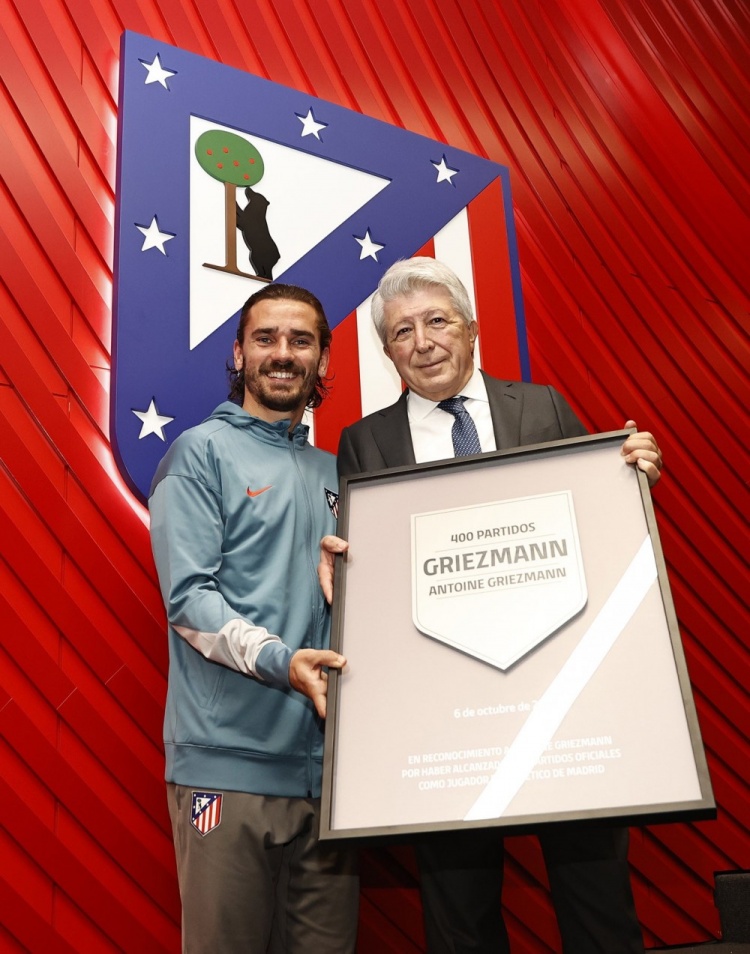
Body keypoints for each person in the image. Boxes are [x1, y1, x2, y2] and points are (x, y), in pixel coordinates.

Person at [334, 257, 662, 954]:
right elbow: (373, 580)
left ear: (472, 329)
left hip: (562, 693)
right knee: (459, 916)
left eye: (437, 321)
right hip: (442, 711)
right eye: (401, 332)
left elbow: (599, 523)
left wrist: (632, 479)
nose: (423, 342)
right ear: (387, 351)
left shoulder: (542, 407)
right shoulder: (365, 442)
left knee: (597, 898)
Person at [149, 283, 359, 954]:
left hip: (330, 780)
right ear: (239, 354)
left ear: (322, 361)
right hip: (226, 768)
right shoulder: (200, 452)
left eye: (301, 340)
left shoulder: (339, 472)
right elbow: (190, 600)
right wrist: (280, 660)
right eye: (265, 338)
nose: (283, 353)